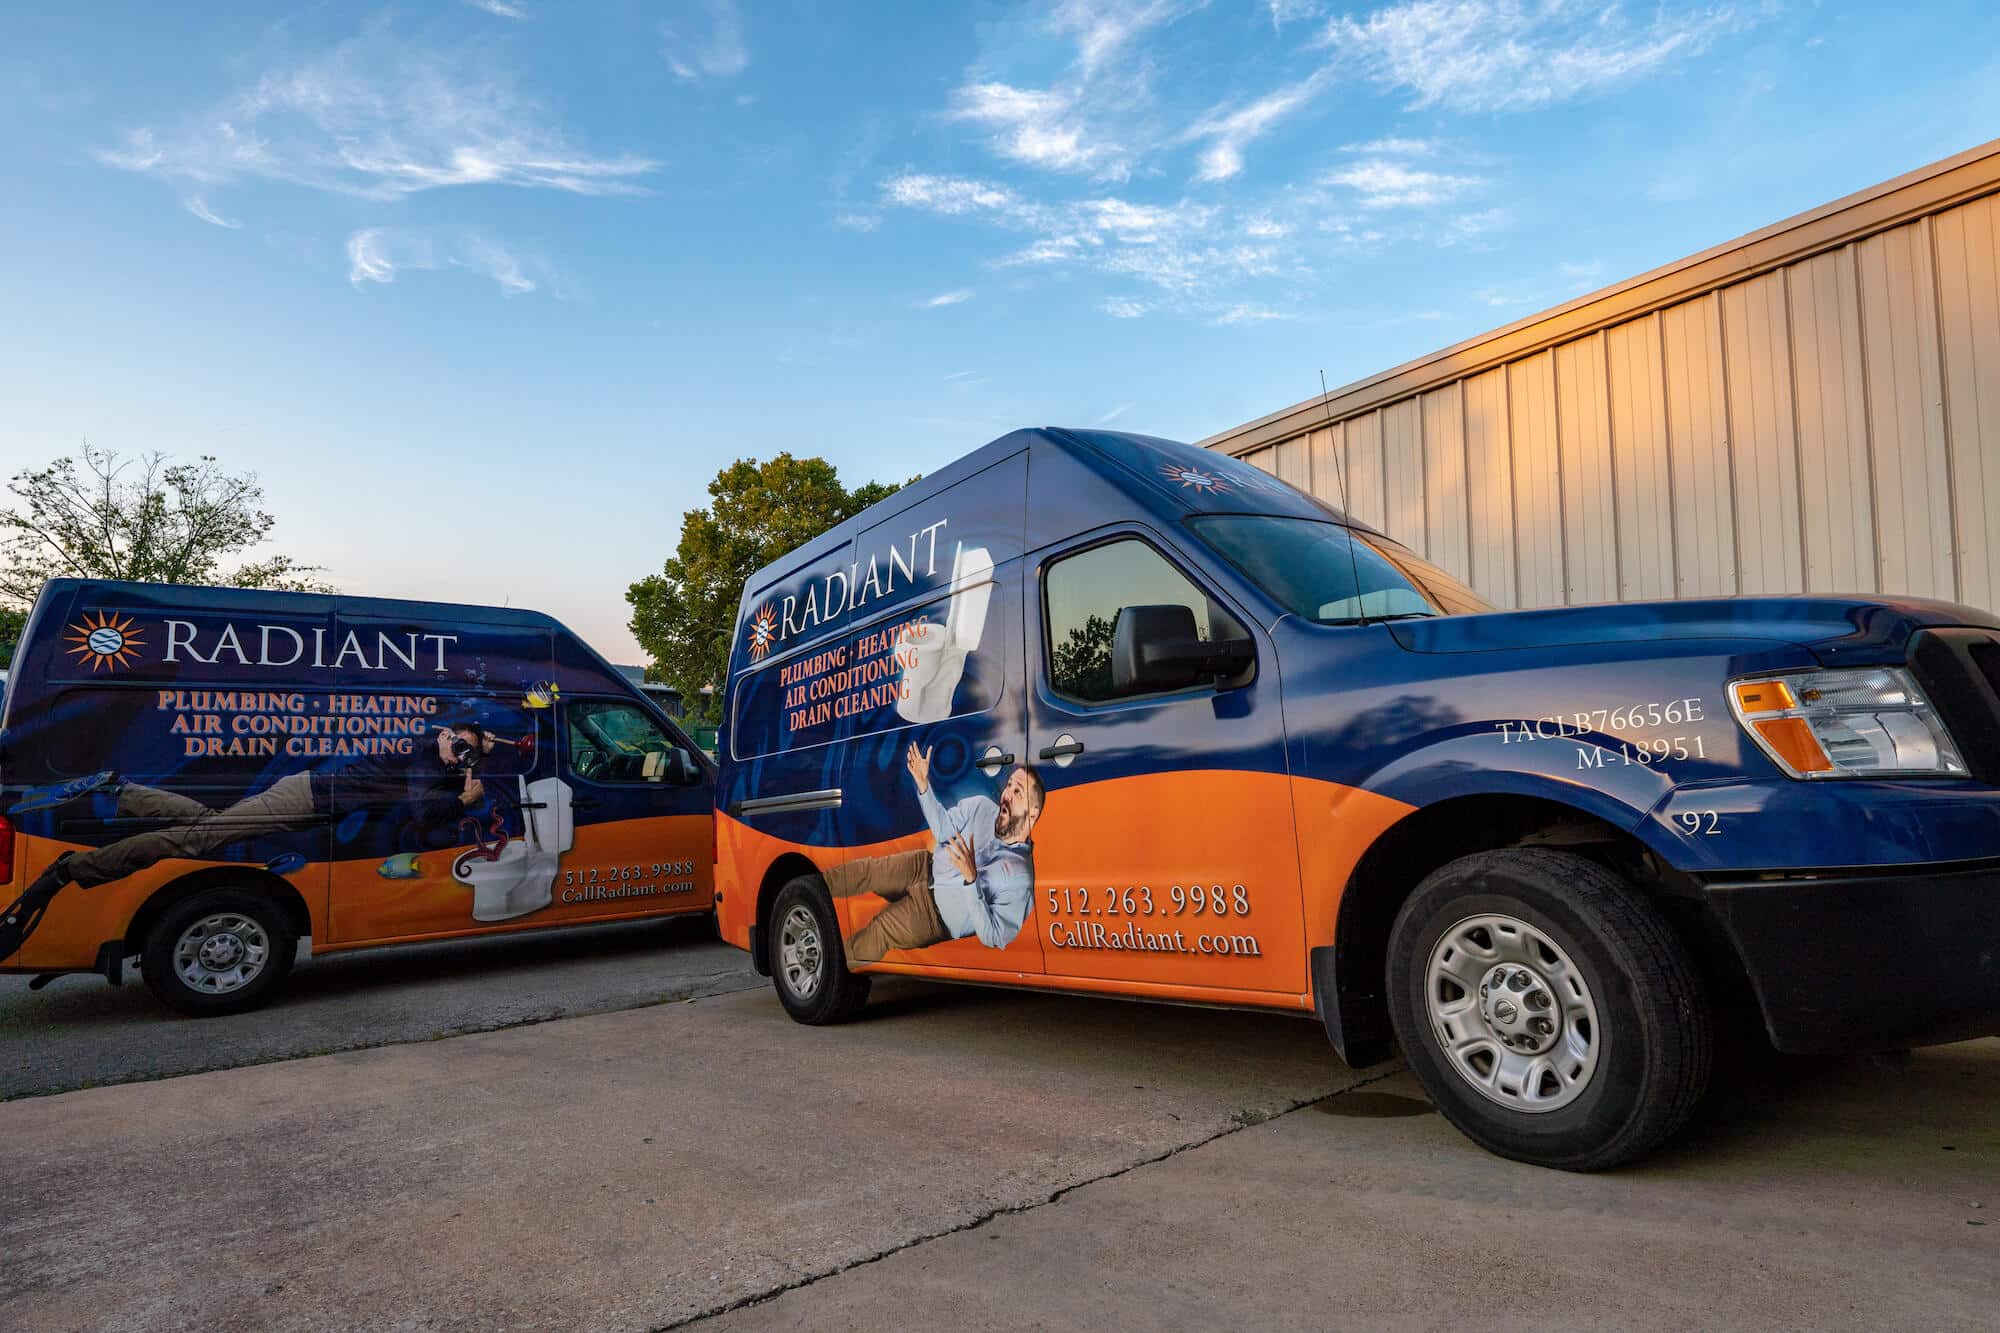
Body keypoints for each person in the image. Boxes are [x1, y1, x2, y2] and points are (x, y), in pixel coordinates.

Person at [0, 723, 497, 962]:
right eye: (457, 744)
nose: (459, 755)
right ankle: (72, 869)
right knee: (195, 842)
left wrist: (477, 760)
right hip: (300, 801)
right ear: (442, 733)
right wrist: (466, 799)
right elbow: (425, 810)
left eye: (467, 751)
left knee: (208, 827)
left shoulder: (435, 760)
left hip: (302, 801)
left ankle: (116, 789)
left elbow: (436, 785)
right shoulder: (421, 756)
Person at [823, 742, 1043, 964]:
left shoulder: (1021, 879)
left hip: (933, 917)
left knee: (879, 931)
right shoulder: (982, 806)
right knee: (866, 870)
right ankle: (809, 895)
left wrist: (972, 881)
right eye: (1009, 786)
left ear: (1032, 814)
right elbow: (943, 829)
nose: (1007, 795)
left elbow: (994, 935)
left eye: (1018, 792)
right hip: (923, 866)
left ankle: (826, 970)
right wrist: (924, 786)